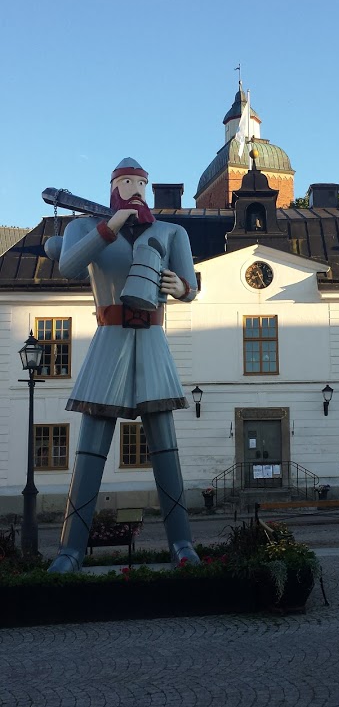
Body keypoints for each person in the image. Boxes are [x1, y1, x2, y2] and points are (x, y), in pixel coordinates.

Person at [47, 158, 199, 572]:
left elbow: (190, 287)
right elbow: (69, 266)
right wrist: (110, 226)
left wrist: (182, 287)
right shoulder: (84, 227)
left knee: (165, 445)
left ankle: (182, 542)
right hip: (110, 337)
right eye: (127, 181)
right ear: (113, 186)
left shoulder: (171, 231)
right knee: (91, 446)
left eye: (141, 183)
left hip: (151, 339)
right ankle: (70, 549)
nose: (135, 188)